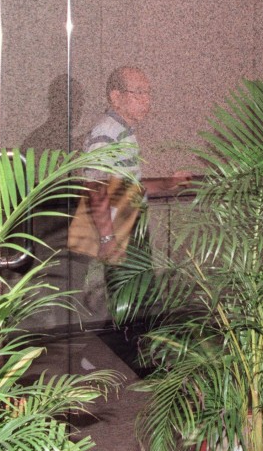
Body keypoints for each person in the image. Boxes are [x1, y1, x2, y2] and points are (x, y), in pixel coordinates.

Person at [75, 66, 190, 325]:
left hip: (131, 227)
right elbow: (96, 187)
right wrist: (107, 238)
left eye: (148, 93)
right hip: (117, 230)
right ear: (115, 97)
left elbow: (129, 185)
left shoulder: (124, 132)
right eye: (138, 92)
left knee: (139, 304)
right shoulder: (106, 133)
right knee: (126, 305)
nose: (146, 100)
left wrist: (168, 182)